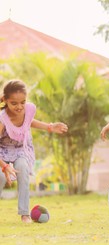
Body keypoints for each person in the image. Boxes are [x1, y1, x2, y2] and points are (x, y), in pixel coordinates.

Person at [0, 80, 68, 223]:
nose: (19, 107)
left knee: (23, 168)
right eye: (14, 103)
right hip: (2, 151)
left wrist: (49, 127)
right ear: (5, 100)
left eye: (22, 102)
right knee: (0, 177)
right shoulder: (2, 118)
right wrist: (4, 166)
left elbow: (29, 121)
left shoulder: (29, 109)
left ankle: (25, 214)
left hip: (21, 149)